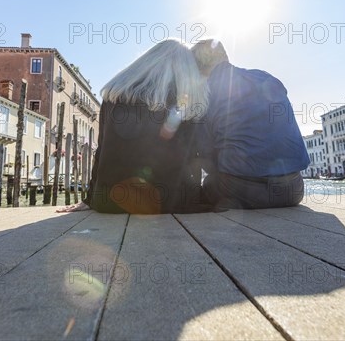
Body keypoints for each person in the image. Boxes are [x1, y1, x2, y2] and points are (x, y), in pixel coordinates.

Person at [57, 39, 212, 214]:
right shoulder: (185, 102)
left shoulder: (113, 95)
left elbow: (101, 151)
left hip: (110, 202)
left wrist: (91, 198)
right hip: (169, 200)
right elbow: (196, 155)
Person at [191, 39, 309, 209]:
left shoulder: (205, 93)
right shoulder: (266, 77)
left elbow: (204, 155)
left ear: (198, 68)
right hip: (293, 190)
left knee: (209, 181)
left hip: (237, 191)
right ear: (225, 57)